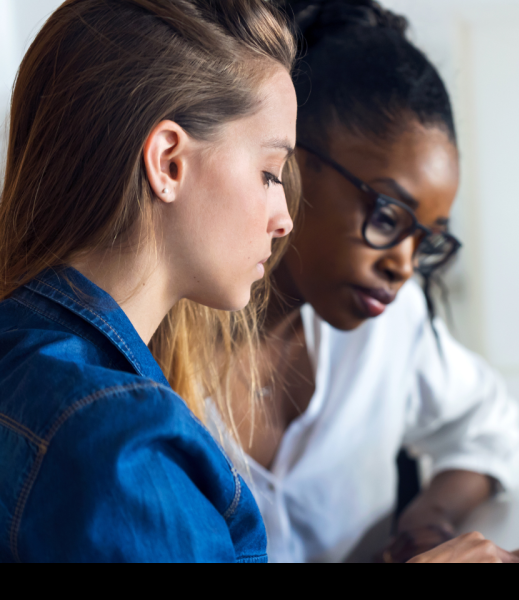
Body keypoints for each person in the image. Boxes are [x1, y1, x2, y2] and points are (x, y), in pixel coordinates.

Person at [219, 0, 519, 563]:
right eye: (388, 217)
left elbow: (489, 428)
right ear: (288, 162)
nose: (403, 266)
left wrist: (428, 519)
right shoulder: (152, 353)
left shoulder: (390, 324)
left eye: (426, 239)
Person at [0, 0, 298, 563]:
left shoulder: (21, 352)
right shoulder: (115, 444)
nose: (284, 220)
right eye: (268, 174)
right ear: (168, 163)